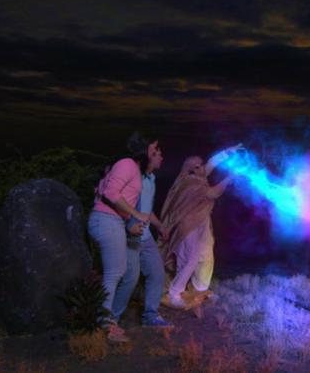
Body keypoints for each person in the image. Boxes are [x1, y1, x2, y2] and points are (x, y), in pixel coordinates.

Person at [159, 144, 243, 308]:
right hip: (188, 225)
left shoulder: (198, 177)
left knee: (206, 255)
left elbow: (211, 163)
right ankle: (175, 293)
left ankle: (201, 289)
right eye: (199, 166)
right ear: (192, 170)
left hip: (201, 222)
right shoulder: (189, 183)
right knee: (190, 259)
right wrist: (230, 178)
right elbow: (212, 193)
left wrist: (228, 152)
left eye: (202, 164)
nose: (204, 167)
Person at [87, 132, 152, 342]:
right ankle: (105, 325)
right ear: (143, 149)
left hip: (112, 221)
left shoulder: (131, 167)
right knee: (114, 273)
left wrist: (127, 225)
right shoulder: (127, 164)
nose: (156, 153)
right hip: (106, 220)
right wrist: (136, 214)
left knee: (119, 271)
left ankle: (107, 320)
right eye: (153, 149)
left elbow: (103, 191)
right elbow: (110, 193)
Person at [111, 138, 173, 328]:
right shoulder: (134, 178)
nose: (161, 157)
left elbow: (147, 210)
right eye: (156, 154)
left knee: (157, 274)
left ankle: (150, 316)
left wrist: (159, 225)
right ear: (147, 157)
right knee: (130, 278)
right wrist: (127, 226)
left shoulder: (151, 179)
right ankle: (111, 319)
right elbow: (119, 204)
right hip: (130, 236)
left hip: (146, 237)